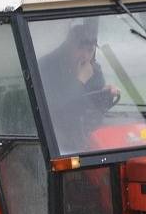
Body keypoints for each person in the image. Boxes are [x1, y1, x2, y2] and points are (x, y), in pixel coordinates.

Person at [39, 22, 120, 150]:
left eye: (89, 50)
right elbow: (56, 111)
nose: (85, 56)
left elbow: (93, 107)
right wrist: (80, 80)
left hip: (85, 133)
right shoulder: (47, 68)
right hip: (56, 138)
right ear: (68, 47)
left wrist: (106, 94)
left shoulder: (93, 69)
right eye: (80, 48)